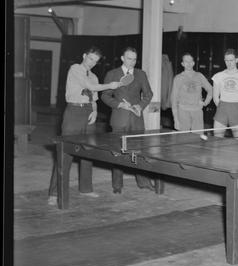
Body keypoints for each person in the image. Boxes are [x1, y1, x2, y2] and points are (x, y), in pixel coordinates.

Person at [47, 46, 122, 205]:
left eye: (95, 61)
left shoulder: (94, 76)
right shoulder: (75, 69)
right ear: (84, 56)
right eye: (90, 59)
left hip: (88, 112)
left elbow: (94, 98)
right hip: (73, 112)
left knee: (88, 152)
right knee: (64, 152)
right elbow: (91, 87)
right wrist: (110, 85)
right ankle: (54, 193)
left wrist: (94, 111)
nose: (92, 63)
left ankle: (86, 189)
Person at [101, 47, 155, 194]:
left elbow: (149, 94)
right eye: (129, 58)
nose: (132, 62)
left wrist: (141, 105)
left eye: (134, 59)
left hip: (136, 119)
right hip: (119, 119)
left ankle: (143, 182)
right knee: (118, 153)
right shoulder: (112, 74)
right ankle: (117, 185)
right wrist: (119, 104)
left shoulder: (141, 74)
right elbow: (105, 96)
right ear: (122, 58)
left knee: (138, 152)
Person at [212, 48, 238, 139]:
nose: (229, 63)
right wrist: (223, 107)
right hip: (222, 109)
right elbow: (215, 97)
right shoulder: (218, 76)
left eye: (231, 60)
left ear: (236, 60)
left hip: (236, 109)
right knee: (216, 141)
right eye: (226, 60)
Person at [171, 52, 213, 131]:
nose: (188, 64)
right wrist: (175, 119)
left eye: (190, 61)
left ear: (193, 63)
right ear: (182, 64)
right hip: (183, 112)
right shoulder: (178, 78)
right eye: (186, 62)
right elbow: (174, 100)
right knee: (183, 139)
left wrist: (205, 102)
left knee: (197, 139)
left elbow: (211, 89)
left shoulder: (199, 76)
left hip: (197, 112)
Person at [160, 53, 175, 128]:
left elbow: (166, 83)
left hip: (164, 99)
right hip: (165, 99)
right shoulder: (167, 65)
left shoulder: (165, 65)